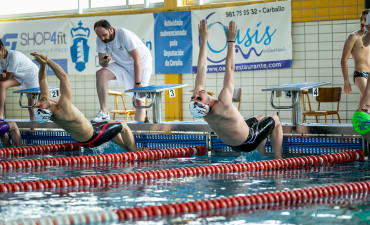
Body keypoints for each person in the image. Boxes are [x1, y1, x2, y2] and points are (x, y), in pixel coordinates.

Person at [189, 20, 282, 159]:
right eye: (198, 97)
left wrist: (203, 39)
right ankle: (279, 161)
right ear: (206, 104)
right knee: (275, 119)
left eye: (193, 97)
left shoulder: (204, 111)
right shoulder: (223, 103)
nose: (196, 93)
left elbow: (201, 68)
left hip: (234, 144)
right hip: (248, 141)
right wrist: (231, 40)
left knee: (261, 118)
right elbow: (230, 69)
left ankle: (262, 156)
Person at [30, 52, 141, 152]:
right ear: (47, 109)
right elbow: (63, 77)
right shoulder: (63, 107)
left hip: (83, 141)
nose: (40, 100)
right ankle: (136, 154)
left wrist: (42, 65)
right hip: (94, 136)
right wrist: (47, 61)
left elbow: (42, 80)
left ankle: (127, 150)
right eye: (40, 104)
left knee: (110, 125)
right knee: (124, 126)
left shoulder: (50, 110)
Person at [93, 19, 152, 122]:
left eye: (104, 35)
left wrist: (137, 82)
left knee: (139, 101)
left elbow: (137, 58)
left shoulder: (123, 35)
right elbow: (102, 63)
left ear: (110, 29)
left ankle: (138, 133)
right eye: (99, 36)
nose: (102, 38)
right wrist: (105, 60)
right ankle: (104, 113)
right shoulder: (100, 40)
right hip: (122, 64)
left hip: (142, 63)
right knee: (101, 74)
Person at [0, 38, 39, 121]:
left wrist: (3, 76)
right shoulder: (1, 58)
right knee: (2, 85)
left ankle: (34, 131)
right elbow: (5, 76)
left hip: (32, 77)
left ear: (2, 48)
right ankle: (0, 114)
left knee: (31, 108)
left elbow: (7, 77)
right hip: (19, 77)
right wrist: (2, 76)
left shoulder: (14, 56)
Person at [341, 9, 370, 105]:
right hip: (360, 74)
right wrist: (346, 81)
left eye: (365, 19)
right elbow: (344, 59)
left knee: (363, 105)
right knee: (368, 99)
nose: (362, 22)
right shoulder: (354, 37)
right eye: (361, 19)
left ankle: (359, 119)